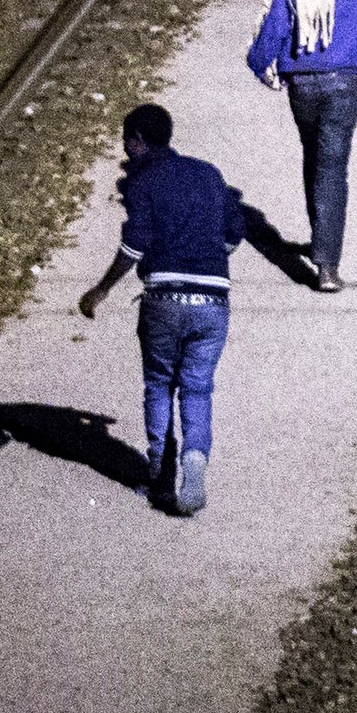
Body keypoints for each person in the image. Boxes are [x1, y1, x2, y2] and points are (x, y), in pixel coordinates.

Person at [78, 103, 243, 516]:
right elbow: (234, 232)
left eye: (125, 141)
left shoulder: (143, 182)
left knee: (158, 383)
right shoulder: (208, 173)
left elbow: (134, 245)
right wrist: (206, 255)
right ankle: (195, 460)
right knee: (198, 387)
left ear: (137, 141)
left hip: (164, 299)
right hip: (213, 300)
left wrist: (100, 290)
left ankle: (160, 477)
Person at [245, 0, 357, 293]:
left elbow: (279, 17)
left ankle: (321, 240)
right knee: (332, 167)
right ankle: (327, 265)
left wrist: (259, 60)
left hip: (302, 79)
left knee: (313, 158)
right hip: (344, 79)